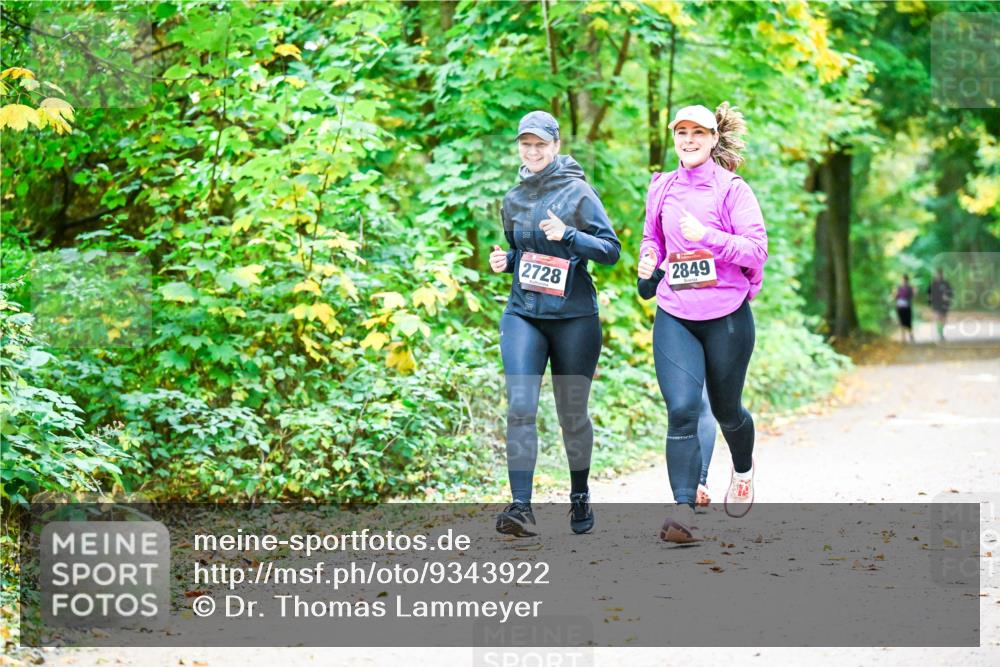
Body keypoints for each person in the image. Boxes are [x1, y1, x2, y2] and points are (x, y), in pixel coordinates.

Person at [637, 102, 767, 543]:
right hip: (675, 312)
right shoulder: (662, 187)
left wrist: (706, 237)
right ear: (674, 138)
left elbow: (755, 252)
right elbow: (651, 237)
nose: (688, 141)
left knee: (727, 410)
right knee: (681, 409)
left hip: (727, 316)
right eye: (681, 133)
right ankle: (681, 509)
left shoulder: (733, 190)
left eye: (698, 133)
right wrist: (648, 260)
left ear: (713, 140)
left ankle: (744, 469)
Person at [489, 110, 621, 537]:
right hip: (524, 313)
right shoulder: (512, 198)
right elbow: (521, 253)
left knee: (571, 413)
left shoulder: (579, 193)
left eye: (540, 144)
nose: (533, 151)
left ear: (556, 146)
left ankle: (579, 493)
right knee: (521, 406)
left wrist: (569, 235)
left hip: (574, 318)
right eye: (526, 144)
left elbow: (611, 251)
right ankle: (521, 507)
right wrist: (504, 260)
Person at [638, 275, 717, 508]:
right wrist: (658, 267)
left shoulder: (719, 236)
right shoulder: (661, 237)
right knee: (689, 404)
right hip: (677, 320)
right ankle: (694, 486)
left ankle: (701, 479)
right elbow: (644, 288)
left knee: (709, 403)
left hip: (718, 316)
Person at [928, 268, 953, 342]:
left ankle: (941, 331)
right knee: (938, 317)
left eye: (939, 274)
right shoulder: (933, 284)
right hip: (936, 303)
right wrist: (930, 303)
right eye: (936, 274)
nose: (937, 276)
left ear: (941, 275)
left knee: (944, 318)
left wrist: (947, 297)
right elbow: (929, 294)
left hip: (944, 304)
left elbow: (951, 292)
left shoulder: (946, 283)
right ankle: (940, 333)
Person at [894, 274, 915, 344]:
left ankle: (910, 335)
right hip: (900, 306)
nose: (903, 281)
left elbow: (912, 296)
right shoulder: (899, 287)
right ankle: (904, 336)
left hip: (906, 306)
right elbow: (895, 296)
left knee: (908, 321)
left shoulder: (909, 288)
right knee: (902, 321)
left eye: (904, 279)